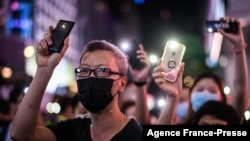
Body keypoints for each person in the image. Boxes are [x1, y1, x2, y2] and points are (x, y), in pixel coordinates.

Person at [11, 25, 142, 141]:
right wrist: (44, 69)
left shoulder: (137, 135)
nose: (91, 77)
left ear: (122, 83)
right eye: (84, 70)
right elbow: (21, 135)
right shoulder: (73, 130)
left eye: (102, 70)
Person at [155, 16, 248, 125]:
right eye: (199, 90)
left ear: (222, 97)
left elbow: (240, 90)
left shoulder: (230, 118)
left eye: (212, 91)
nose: (205, 94)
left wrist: (238, 46)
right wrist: (172, 97)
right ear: (190, 97)